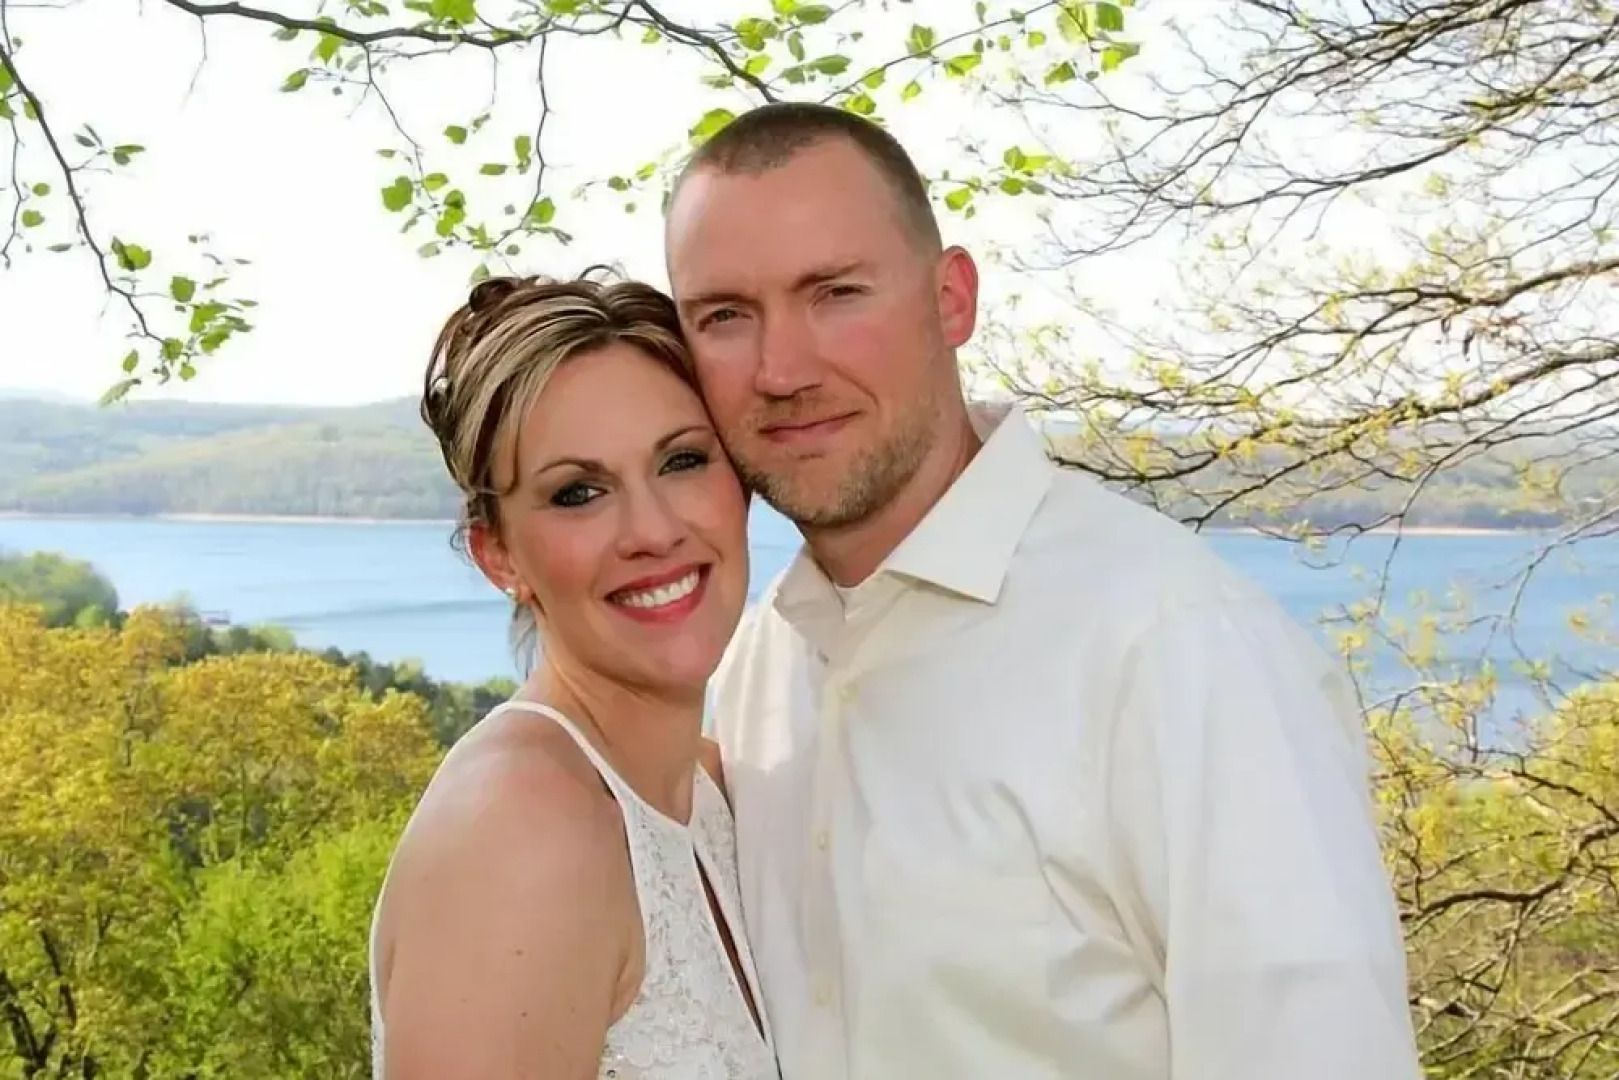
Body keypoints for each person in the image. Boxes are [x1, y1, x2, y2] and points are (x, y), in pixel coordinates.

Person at [665, 102, 1423, 1080]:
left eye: (836, 292)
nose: (781, 369)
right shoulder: (763, 657)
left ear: (950, 299)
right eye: (725, 315)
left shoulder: (1177, 650)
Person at [367, 271, 780, 1079]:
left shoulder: (706, 791)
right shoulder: (522, 829)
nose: (653, 530)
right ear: (500, 555)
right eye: (578, 492)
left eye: (683, 460)